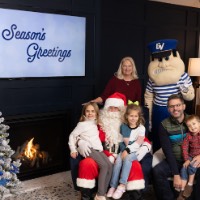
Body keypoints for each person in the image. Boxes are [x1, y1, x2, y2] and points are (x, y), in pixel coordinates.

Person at [76, 93, 152, 200]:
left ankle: (135, 197)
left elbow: (143, 139)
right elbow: (82, 133)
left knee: (135, 165)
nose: (112, 111)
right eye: (110, 108)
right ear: (105, 110)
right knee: (87, 163)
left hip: (123, 154)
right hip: (102, 155)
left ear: (122, 111)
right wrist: (80, 142)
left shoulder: (128, 124)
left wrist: (144, 148)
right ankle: (86, 197)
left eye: (116, 108)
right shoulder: (98, 123)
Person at [145, 39, 194, 152]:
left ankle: (178, 160)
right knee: (158, 136)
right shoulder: (153, 78)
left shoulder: (182, 76)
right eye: (159, 59)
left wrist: (184, 87)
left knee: (177, 137)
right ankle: (157, 163)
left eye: (166, 58)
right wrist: (149, 117)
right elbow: (148, 96)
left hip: (176, 109)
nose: (163, 64)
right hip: (159, 110)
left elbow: (190, 97)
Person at [152, 94, 200, 200]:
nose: (175, 109)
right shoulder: (164, 125)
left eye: (178, 105)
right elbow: (167, 150)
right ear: (168, 109)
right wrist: (176, 174)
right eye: (171, 106)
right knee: (157, 171)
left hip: (194, 158)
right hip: (175, 160)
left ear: (183, 106)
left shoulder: (193, 121)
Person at [68, 102, 112, 200]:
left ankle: (101, 194)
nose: (90, 113)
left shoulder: (94, 123)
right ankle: (100, 194)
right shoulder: (82, 124)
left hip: (99, 150)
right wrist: (73, 149)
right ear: (84, 113)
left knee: (110, 165)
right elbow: (72, 135)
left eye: (92, 111)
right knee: (104, 166)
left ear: (96, 113)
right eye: (87, 111)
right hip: (90, 150)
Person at [107, 104, 150, 199]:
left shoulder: (141, 128)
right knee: (117, 162)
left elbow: (139, 143)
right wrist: (121, 151)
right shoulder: (123, 126)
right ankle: (113, 186)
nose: (133, 118)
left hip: (135, 151)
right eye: (131, 116)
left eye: (135, 116)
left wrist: (128, 150)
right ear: (127, 116)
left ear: (139, 117)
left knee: (128, 159)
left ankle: (122, 185)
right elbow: (120, 140)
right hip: (123, 150)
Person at [177, 115, 200, 200]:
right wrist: (186, 159)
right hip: (191, 155)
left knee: (192, 165)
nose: (192, 127)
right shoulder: (188, 135)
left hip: (198, 157)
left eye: (194, 124)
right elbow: (184, 147)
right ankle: (182, 191)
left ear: (199, 124)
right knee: (184, 167)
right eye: (189, 126)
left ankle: (189, 185)